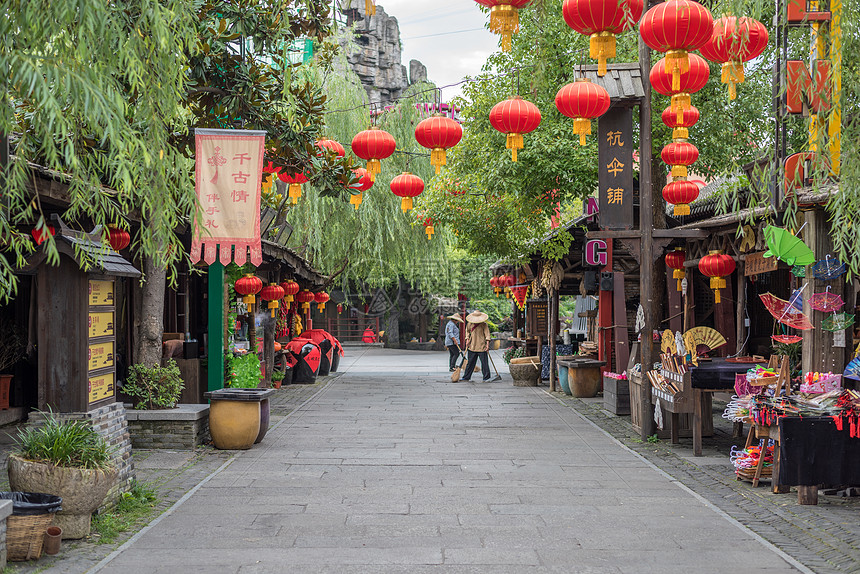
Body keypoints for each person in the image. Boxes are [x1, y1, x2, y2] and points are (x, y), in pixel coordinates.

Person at [461, 310, 491, 382]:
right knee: (470, 363)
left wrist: (487, 345)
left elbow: (487, 335)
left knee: (484, 363)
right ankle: (466, 377)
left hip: (482, 346)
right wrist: (467, 339)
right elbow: (467, 331)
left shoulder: (484, 325)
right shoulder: (470, 324)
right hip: (472, 346)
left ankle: (486, 377)